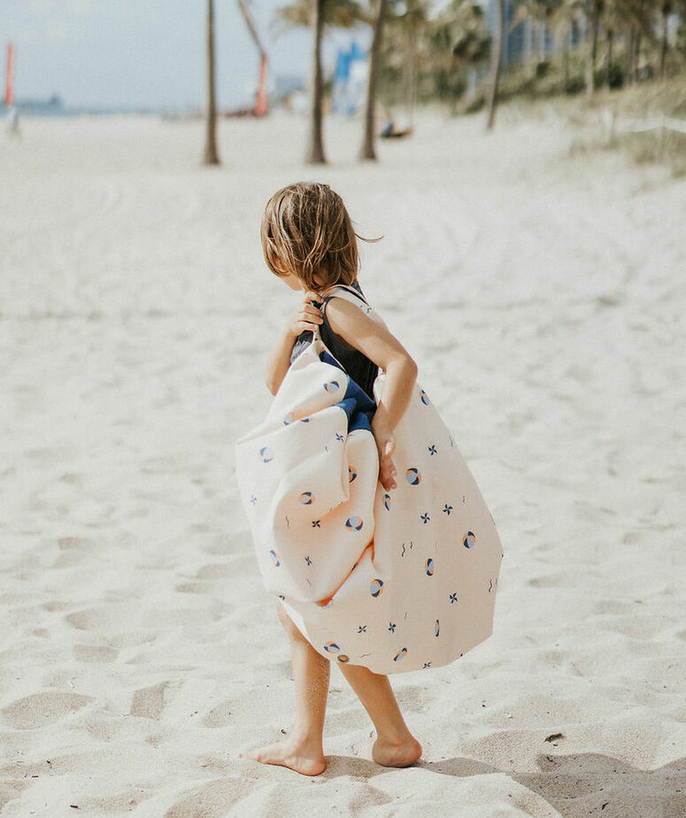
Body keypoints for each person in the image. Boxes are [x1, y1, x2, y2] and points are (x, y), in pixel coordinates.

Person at [240, 181, 422, 775]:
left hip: (341, 477)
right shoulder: (320, 309)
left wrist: (385, 435)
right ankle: (321, 740)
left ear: (289, 247)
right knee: (304, 608)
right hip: (322, 476)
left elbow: (400, 365)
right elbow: (277, 385)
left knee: (320, 608)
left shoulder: (341, 306)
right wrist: (288, 333)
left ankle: (371, 739)